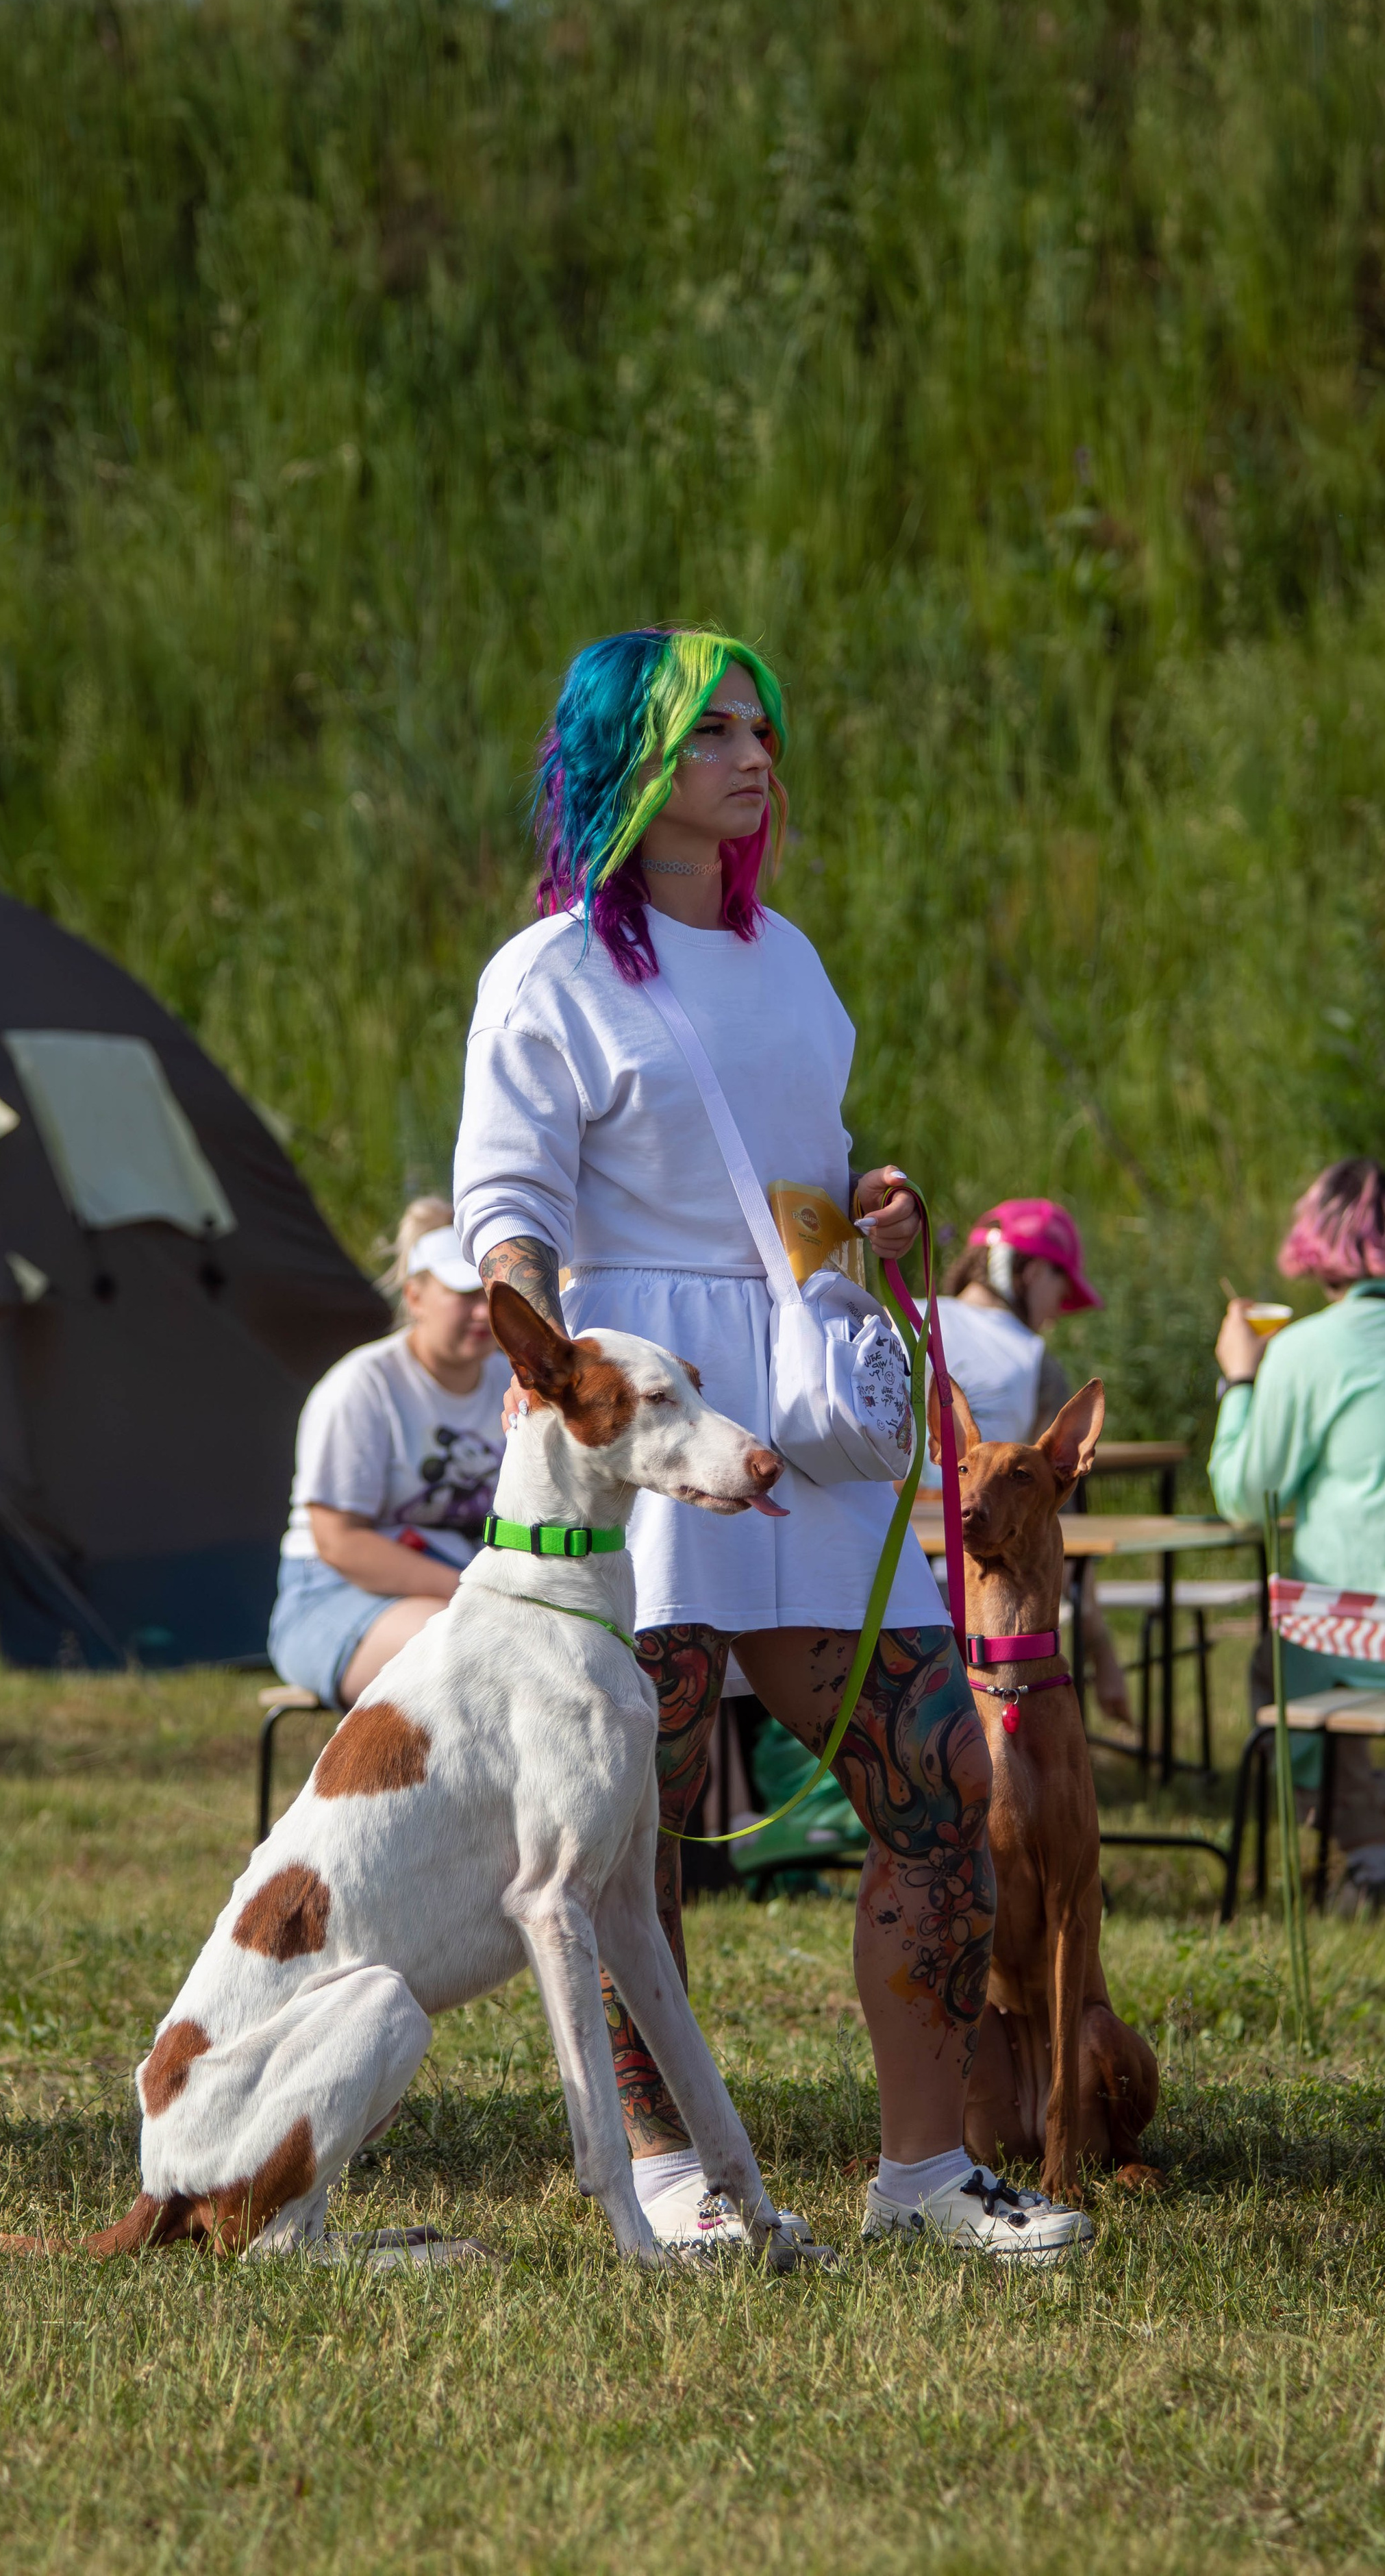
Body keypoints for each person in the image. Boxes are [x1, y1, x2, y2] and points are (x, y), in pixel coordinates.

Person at [453, 624, 1088, 2257]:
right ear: (636, 765)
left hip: (799, 1416)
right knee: (624, 1824)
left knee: (947, 1777)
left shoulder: (793, 961)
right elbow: (509, 1216)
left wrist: (880, 1215)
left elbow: (801, 1190)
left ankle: (925, 2175)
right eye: (716, 732)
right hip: (641, 1426)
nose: (755, 757)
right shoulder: (546, 976)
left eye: (762, 731)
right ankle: (666, 2169)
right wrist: (541, 1362)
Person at [1210, 1158, 1385, 1914]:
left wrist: (1239, 1381)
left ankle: (1370, 1859)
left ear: (1313, 1252)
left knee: (1284, 1659)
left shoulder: (1306, 1351)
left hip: (1360, 1638)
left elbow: (1244, 1496)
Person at [267, 1198, 508, 1709]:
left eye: (489, 1291)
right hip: (333, 1595)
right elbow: (339, 1542)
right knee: (469, 1651)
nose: (484, 1312)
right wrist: (481, 1592)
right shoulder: (364, 1386)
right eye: (463, 1294)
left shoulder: (512, 1381)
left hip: (469, 1586)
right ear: (414, 1296)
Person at [938, 1199, 1132, 1726]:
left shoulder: (908, 1318)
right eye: (1059, 1290)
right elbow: (1053, 1521)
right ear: (1031, 1270)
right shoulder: (1035, 1361)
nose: (1055, 1311)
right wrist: (1107, 1659)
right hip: (987, 1603)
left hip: (886, 1580)